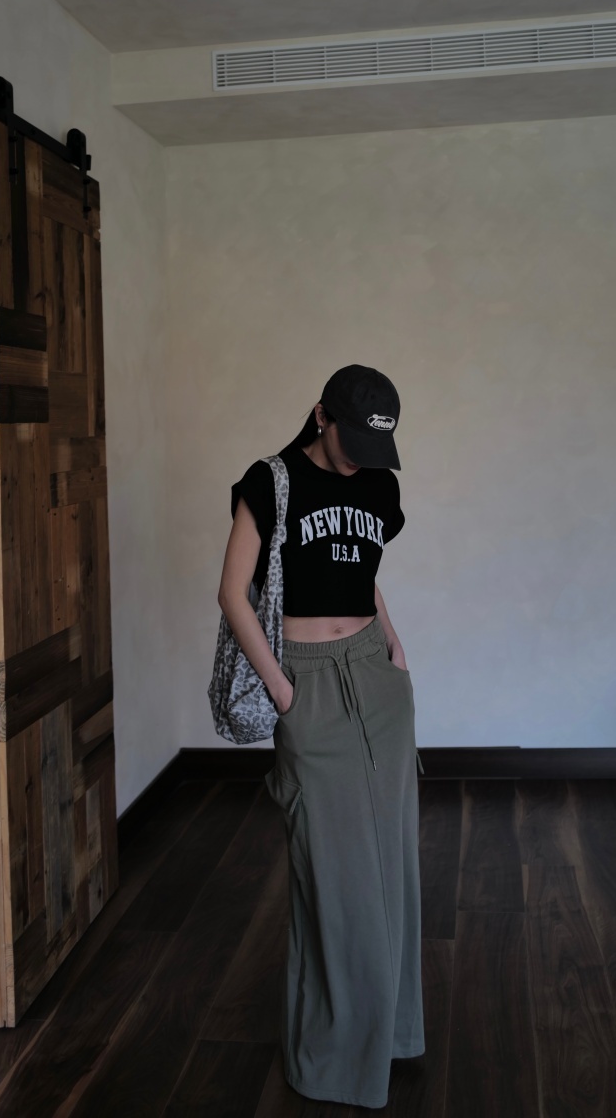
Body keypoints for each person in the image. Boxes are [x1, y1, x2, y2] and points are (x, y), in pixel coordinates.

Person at [217, 363, 425, 1109]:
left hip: (375, 674)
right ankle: (333, 1059)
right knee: (332, 877)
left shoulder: (376, 481)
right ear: (320, 416)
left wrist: (393, 642)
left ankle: (394, 1033)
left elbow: (360, 570)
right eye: (351, 443)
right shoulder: (270, 483)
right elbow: (233, 592)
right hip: (304, 679)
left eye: (375, 448)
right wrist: (282, 688)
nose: (361, 462)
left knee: (393, 862)